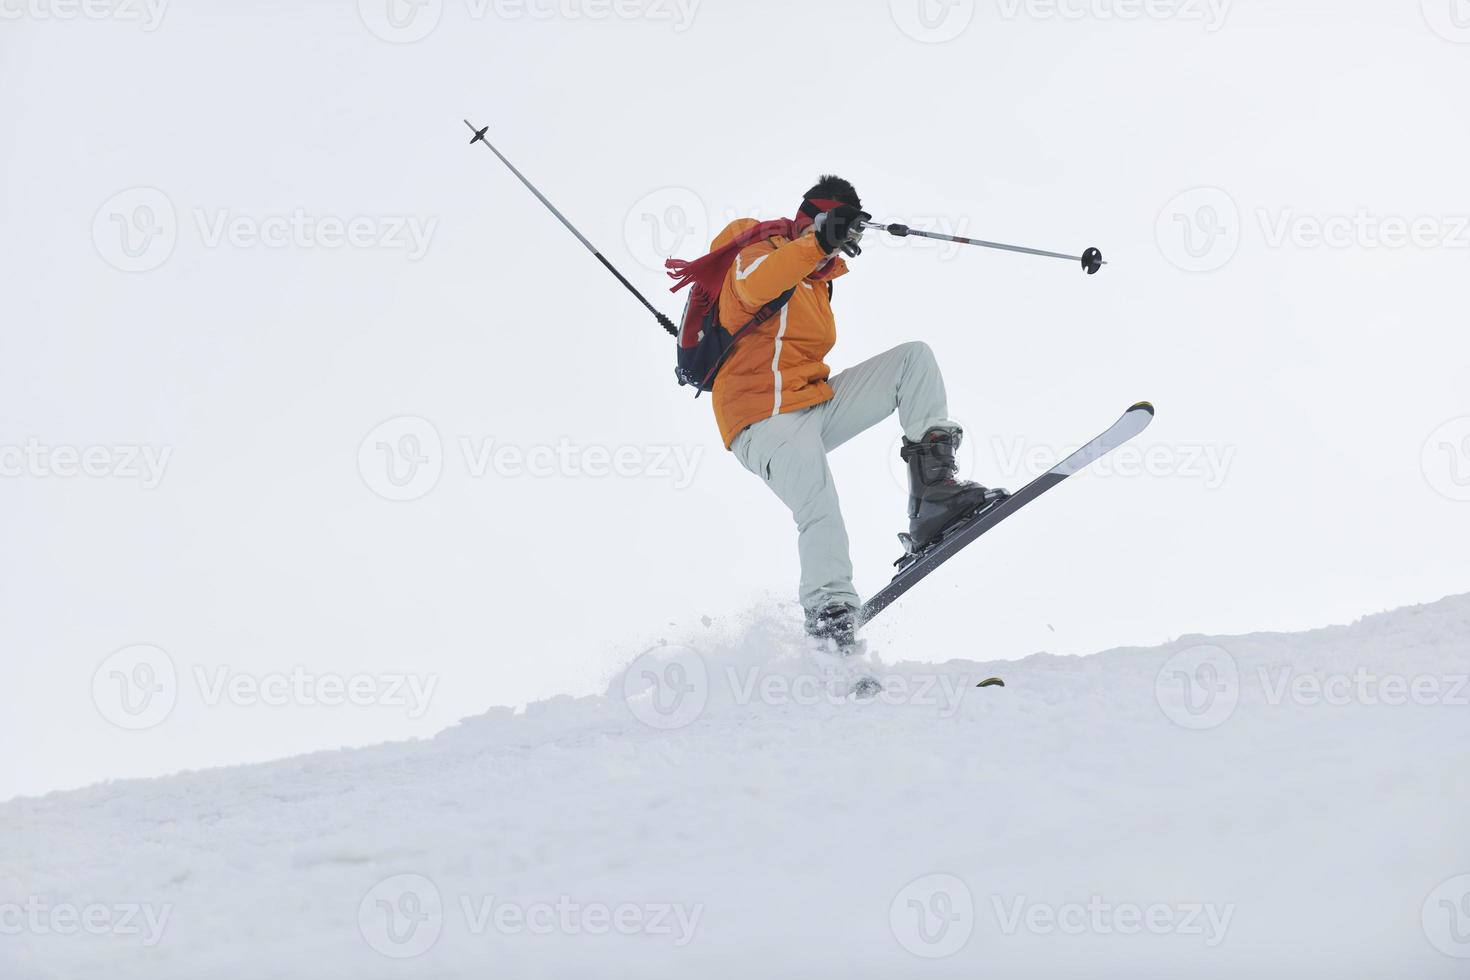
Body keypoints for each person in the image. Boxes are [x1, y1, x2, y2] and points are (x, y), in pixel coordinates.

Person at [700, 176, 1006, 646]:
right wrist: (816, 242)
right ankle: (829, 614)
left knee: (913, 360)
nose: (850, 244)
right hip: (760, 418)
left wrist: (820, 249)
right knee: (819, 504)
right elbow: (754, 288)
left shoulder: (817, 283)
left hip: (809, 405)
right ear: (819, 219)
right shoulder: (759, 247)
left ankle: (934, 501)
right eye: (845, 229)